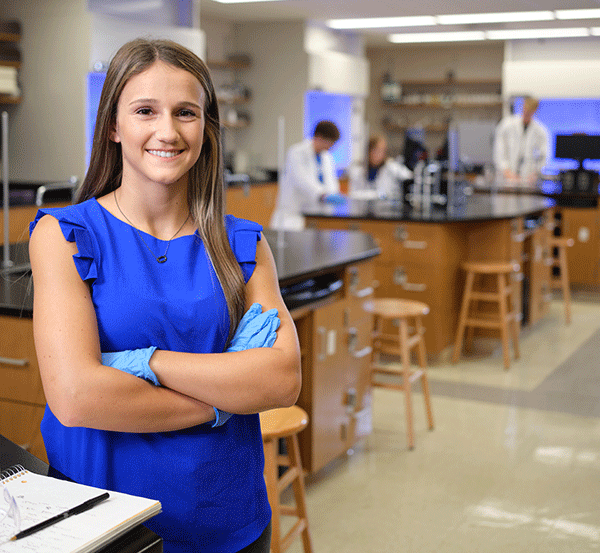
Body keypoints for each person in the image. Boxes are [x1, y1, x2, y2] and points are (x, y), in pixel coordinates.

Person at [28, 38, 302, 553]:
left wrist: (138, 363)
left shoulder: (241, 242)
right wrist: (223, 399)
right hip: (105, 526)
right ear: (113, 125)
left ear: (207, 127)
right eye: (145, 110)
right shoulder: (66, 234)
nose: (167, 131)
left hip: (229, 520)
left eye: (186, 112)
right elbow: (76, 396)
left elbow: (281, 379)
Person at [270, 120, 345, 230]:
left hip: (317, 216)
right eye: (329, 142)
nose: (331, 147)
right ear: (318, 137)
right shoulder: (297, 152)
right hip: (293, 215)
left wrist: (333, 193)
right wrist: (323, 195)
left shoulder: (327, 157)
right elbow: (302, 180)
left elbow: (331, 180)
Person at [493, 97, 550, 184]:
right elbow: (499, 151)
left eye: (530, 111)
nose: (527, 113)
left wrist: (535, 174)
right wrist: (508, 173)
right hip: (505, 178)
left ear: (535, 110)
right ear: (522, 107)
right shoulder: (506, 125)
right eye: (526, 110)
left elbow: (543, 156)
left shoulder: (540, 131)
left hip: (528, 180)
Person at [348, 134, 412, 199]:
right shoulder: (359, 170)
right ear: (369, 151)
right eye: (376, 150)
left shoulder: (392, 167)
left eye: (382, 151)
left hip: (387, 206)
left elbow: (409, 177)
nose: (379, 154)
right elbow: (353, 192)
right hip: (363, 206)